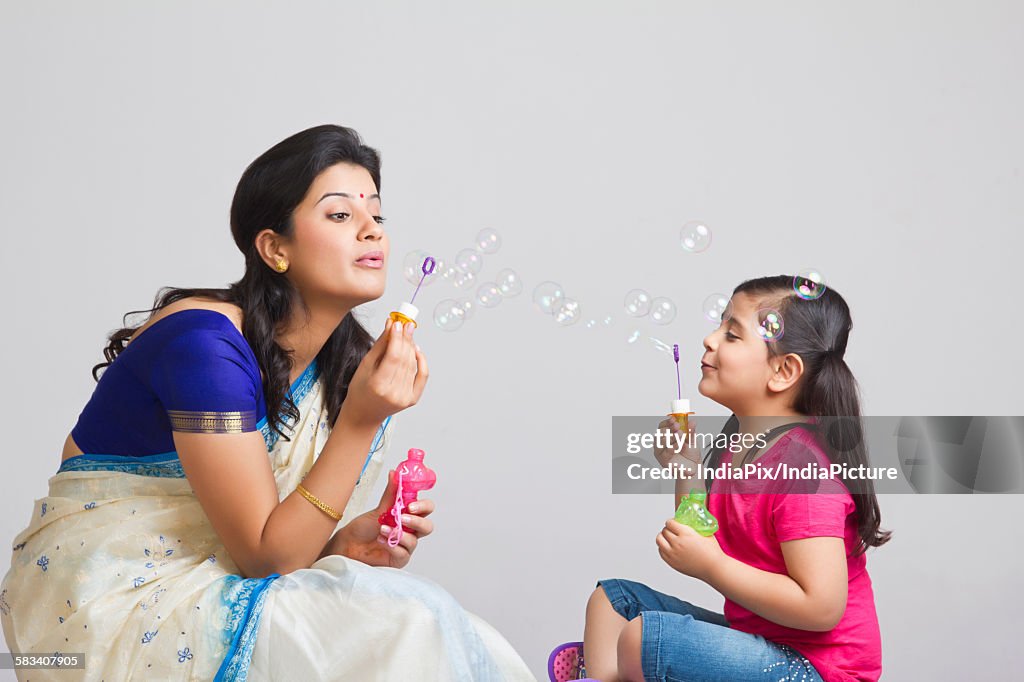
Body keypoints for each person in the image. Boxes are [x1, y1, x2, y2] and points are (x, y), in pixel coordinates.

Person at [0, 124, 535, 681]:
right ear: (275, 247)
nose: (372, 231)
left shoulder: (344, 364)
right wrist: (362, 419)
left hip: (217, 582)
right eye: (340, 215)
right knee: (409, 625)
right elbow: (265, 558)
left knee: (474, 640)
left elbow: (278, 554)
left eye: (377, 215)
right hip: (103, 602)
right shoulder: (204, 345)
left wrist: (344, 544)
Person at [583, 276, 889, 681]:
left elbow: (821, 607)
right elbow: (698, 527)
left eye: (731, 334)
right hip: (761, 642)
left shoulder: (803, 471)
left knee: (645, 640)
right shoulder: (739, 445)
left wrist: (713, 567)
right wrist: (687, 468)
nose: (709, 340)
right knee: (612, 601)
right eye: (719, 326)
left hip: (817, 670)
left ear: (782, 370)